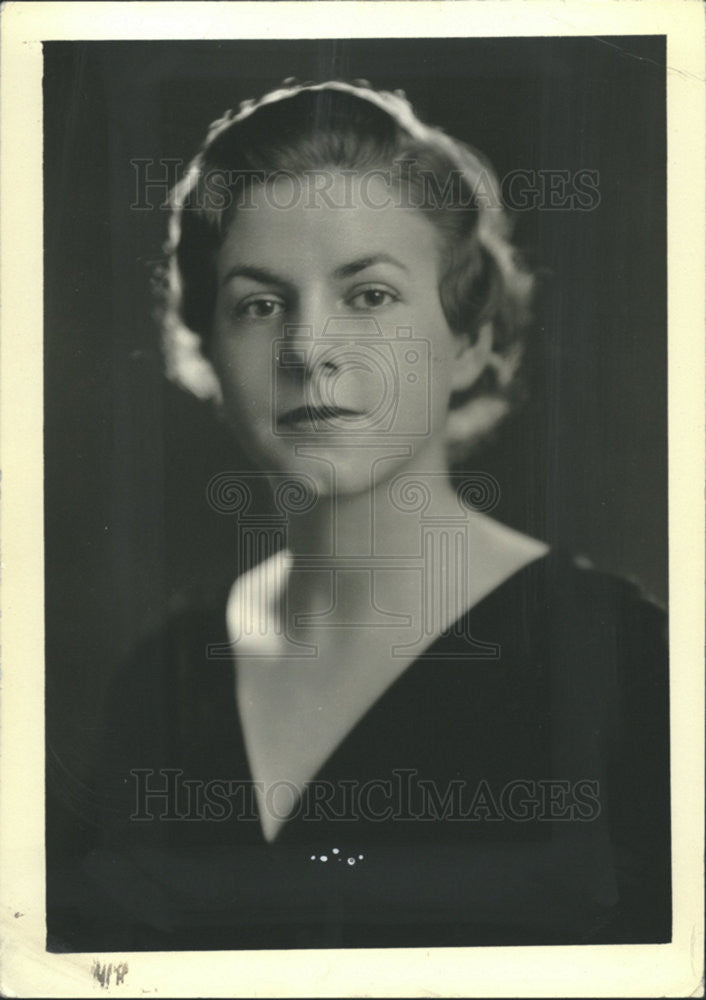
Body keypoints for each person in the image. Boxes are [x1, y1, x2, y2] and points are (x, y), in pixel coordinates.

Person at [47, 80, 671, 951]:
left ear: (470, 339)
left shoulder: (628, 670)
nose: (310, 350)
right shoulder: (162, 681)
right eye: (260, 304)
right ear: (206, 352)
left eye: (369, 296)